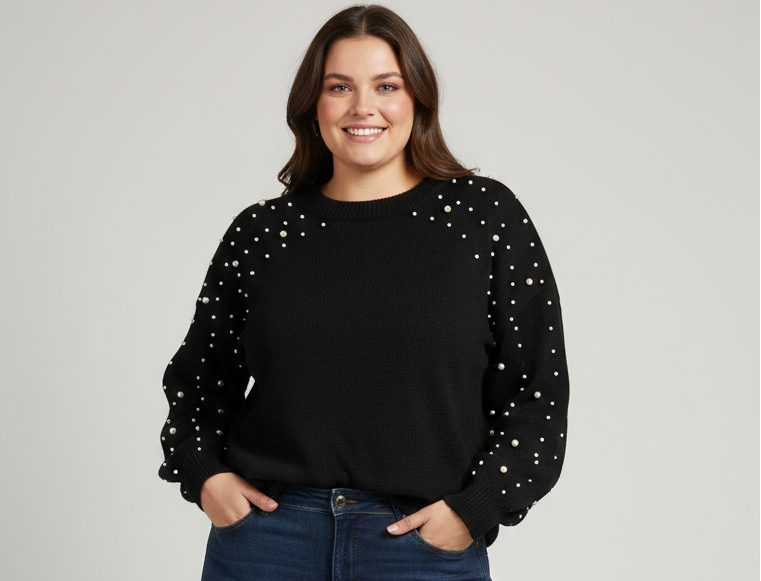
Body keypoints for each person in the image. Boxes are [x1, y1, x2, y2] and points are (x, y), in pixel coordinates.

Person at [157, 4, 570, 580]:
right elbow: (197, 381)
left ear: (418, 98)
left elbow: (537, 393)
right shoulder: (263, 234)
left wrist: (472, 511)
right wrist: (206, 476)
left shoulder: (483, 218)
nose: (362, 107)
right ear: (314, 104)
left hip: (420, 550)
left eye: (386, 85)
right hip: (267, 545)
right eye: (339, 87)